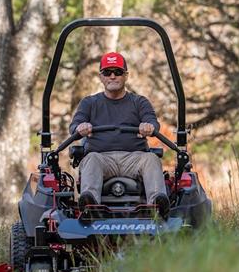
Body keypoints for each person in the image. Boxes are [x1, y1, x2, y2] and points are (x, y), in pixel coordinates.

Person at [69, 51, 170, 217]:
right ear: (101, 77)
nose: (113, 76)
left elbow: (153, 122)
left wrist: (149, 126)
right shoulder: (89, 103)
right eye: (107, 72)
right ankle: (90, 205)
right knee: (91, 159)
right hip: (101, 158)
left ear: (126, 76)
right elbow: (74, 126)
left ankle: (157, 205)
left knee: (151, 158)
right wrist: (80, 127)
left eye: (118, 72)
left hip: (134, 159)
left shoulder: (139, 102)